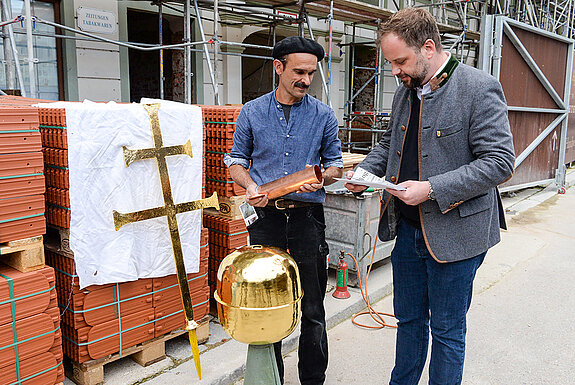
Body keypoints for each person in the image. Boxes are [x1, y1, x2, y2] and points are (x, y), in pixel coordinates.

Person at [345, 8, 515, 385]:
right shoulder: (407, 89)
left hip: (456, 237)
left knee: (448, 330)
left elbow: (501, 162)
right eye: (390, 63)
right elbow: (391, 143)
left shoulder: (478, 87)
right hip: (406, 232)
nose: (395, 71)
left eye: (400, 61)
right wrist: (365, 173)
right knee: (408, 322)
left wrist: (433, 188)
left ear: (428, 47)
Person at [224, 36, 343, 385]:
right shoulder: (252, 112)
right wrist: (249, 186)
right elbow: (236, 160)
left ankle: (313, 380)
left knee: (313, 307)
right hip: (266, 219)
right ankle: (272, 378)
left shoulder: (323, 115)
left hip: (307, 218)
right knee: (269, 302)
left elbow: (335, 164)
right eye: (299, 71)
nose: (306, 80)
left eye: (311, 73)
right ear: (278, 67)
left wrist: (321, 179)